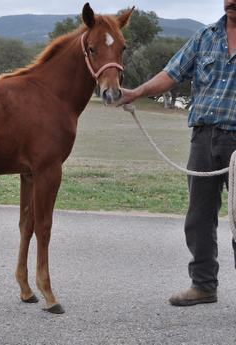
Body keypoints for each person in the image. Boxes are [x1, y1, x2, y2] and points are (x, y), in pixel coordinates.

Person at [116, 0, 236, 306]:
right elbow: (171, 73)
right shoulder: (205, 37)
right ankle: (203, 285)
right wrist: (137, 92)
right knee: (199, 216)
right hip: (204, 139)